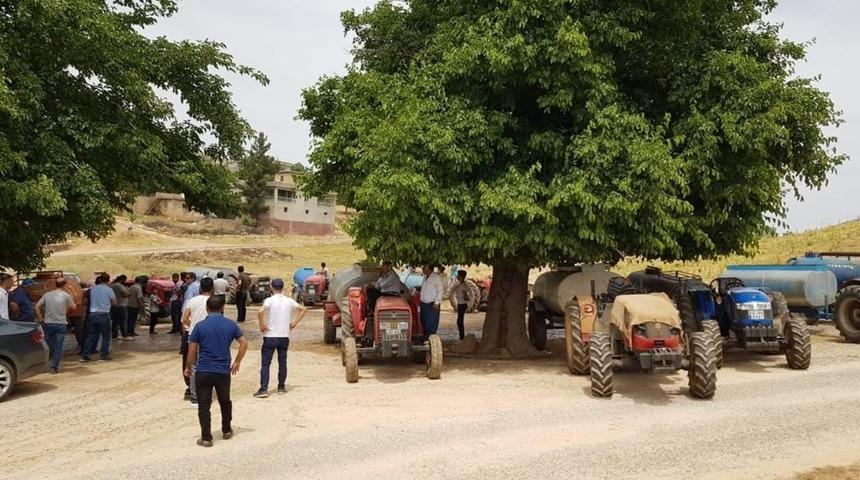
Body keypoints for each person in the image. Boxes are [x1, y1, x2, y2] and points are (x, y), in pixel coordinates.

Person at [185, 295, 248, 447]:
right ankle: (226, 430)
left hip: (204, 370)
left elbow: (192, 350)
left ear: (207, 309)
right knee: (225, 401)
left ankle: (206, 438)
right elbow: (244, 343)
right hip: (223, 371)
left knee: (204, 404)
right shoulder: (230, 325)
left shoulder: (200, 326)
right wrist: (237, 361)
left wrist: (188, 367)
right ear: (222, 308)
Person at [254, 278, 307, 398]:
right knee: (282, 362)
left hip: (271, 335)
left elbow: (260, 311)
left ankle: (263, 389)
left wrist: (262, 324)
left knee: (266, 363)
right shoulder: (289, 300)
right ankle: (281, 387)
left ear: (272, 287)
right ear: (282, 287)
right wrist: (295, 323)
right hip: (284, 335)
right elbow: (303, 309)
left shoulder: (269, 300)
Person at [181, 277, 214, 403]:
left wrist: (193, 326)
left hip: (193, 336)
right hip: (208, 337)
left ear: (200, 288)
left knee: (193, 365)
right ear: (212, 288)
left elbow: (184, 319)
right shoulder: (213, 302)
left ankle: (194, 394)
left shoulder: (192, 301)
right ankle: (205, 394)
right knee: (207, 364)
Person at [35, 278, 76, 373]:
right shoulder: (66, 295)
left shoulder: (47, 294)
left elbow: (36, 307)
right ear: (64, 285)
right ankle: (54, 367)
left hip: (48, 323)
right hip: (61, 323)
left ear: (55, 284)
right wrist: (66, 311)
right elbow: (74, 307)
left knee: (46, 345)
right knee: (58, 346)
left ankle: (42, 365)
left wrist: (40, 318)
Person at [82, 273, 116, 361]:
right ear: (108, 280)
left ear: (100, 280)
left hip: (93, 314)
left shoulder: (93, 289)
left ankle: (86, 353)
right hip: (104, 314)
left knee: (91, 335)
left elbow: (86, 301)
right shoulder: (109, 290)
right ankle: (103, 354)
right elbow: (114, 302)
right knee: (105, 336)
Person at [419, 264, 445, 340]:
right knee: (423, 321)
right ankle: (425, 338)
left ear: (429, 269)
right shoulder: (425, 277)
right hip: (424, 304)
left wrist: (437, 302)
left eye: (424, 267)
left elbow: (440, 291)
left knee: (431, 323)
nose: (423, 268)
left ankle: (431, 339)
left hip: (432, 304)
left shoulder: (436, 277)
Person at [110, 275, 132, 341]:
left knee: (115, 322)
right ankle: (125, 335)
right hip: (121, 306)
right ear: (122, 279)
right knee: (123, 321)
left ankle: (114, 336)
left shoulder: (111, 285)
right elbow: (124, 294)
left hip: (113, 306)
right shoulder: (120, 286)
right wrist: (129, 293)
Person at [449, 270, 470, 340]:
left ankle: (462, 337)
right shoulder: (460, 284)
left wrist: (467, 300)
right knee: (459, 321)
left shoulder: (463, 286)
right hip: (460, 304)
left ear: (461, 277)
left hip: (462, 304)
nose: (457, 277)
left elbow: (466, 295)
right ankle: (461, 337)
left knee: (459, 322)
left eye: (458, 275)